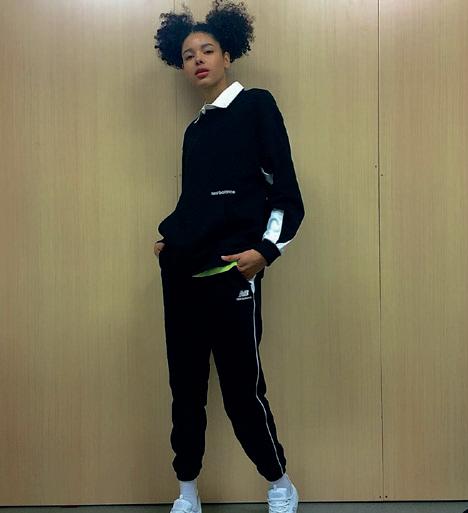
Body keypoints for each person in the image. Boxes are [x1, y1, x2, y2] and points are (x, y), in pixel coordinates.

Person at [153, 1, 304, 512]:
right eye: (188, 55)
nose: (198, 60)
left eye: (207, 50)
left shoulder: (256, 106)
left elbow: (286, 194)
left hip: (233, 273)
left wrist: (265, 251)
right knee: (186, 388)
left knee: (242, 390)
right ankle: (187, 492)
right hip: (183, 274)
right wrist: (171, 239)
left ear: (227, 55)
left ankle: (280, 485)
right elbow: (195, 203)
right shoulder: (195, 130)